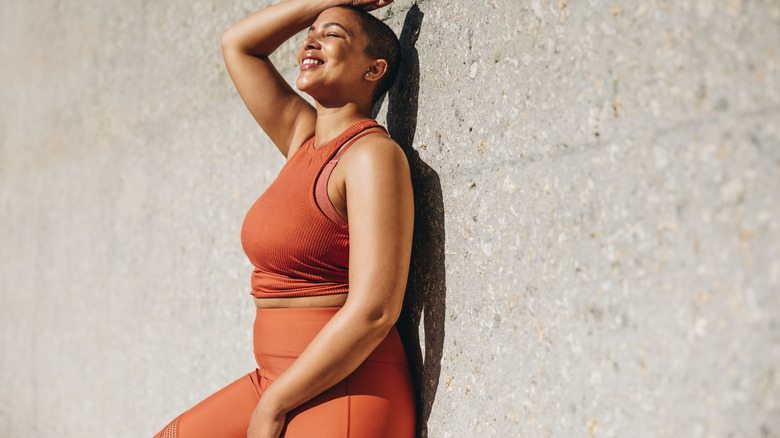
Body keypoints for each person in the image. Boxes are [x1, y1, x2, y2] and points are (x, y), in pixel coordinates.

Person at [153, 0, 416, 437]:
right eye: (309, 33)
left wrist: (273, 406)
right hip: (275, 378)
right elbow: (238, 44)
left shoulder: (371, 156)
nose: (310, 40)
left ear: (374, 70)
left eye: (333, 35)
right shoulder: (302, 139)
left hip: (348, 385)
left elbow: (375, 310)